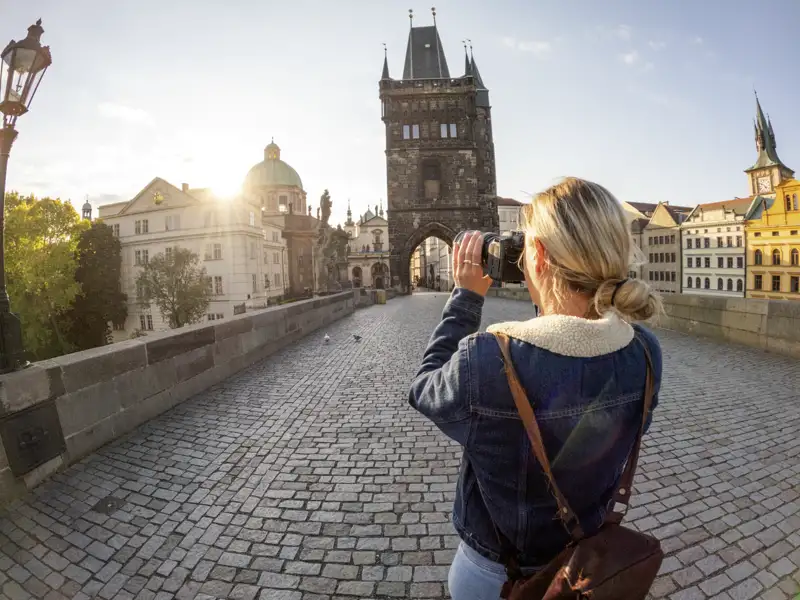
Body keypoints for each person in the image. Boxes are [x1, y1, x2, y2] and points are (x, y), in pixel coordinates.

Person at [408, 177, 663, 600]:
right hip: (585, 569)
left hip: (494, 575)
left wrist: (465, 298)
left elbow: (424, 389)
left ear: (539, 256)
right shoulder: (646, 353)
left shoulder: (489, 359)